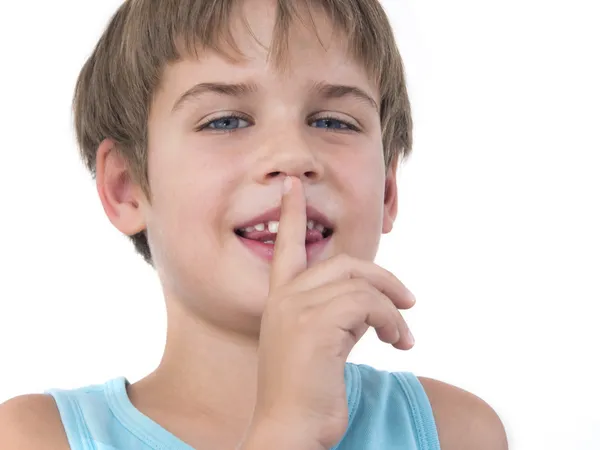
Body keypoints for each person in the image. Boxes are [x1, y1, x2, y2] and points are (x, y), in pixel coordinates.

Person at [0, 0, 508, 449]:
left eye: (334, 122)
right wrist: (288, 429)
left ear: (388, 190)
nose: (293, 156)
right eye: (225, 121)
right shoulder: (35, 437)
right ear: (126, 186)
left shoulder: (455, 434)